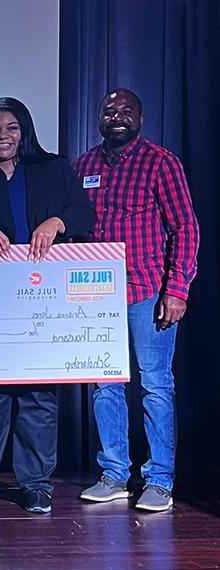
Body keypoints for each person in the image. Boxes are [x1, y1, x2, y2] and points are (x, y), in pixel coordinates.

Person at [0, 97, 95, 514]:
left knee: (36, 395)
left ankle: (36, 484)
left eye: (11, 128)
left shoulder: (55, 169)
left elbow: (85, 216)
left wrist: (57, 222)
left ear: (25, 130)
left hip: (43, 301)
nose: (3, 136)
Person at [74, 88, 199, 512]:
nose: (117, 116)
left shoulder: (161, 163)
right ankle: (114, 474)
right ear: (99, 119)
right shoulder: (84, 166)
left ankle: (159, 480)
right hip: (96, 297)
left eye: (127, 110)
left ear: (141, 120)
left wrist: (177, 289)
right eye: (109, 110)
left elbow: (186, 228)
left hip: (149, 293)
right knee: (104, 387)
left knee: (156, 385)